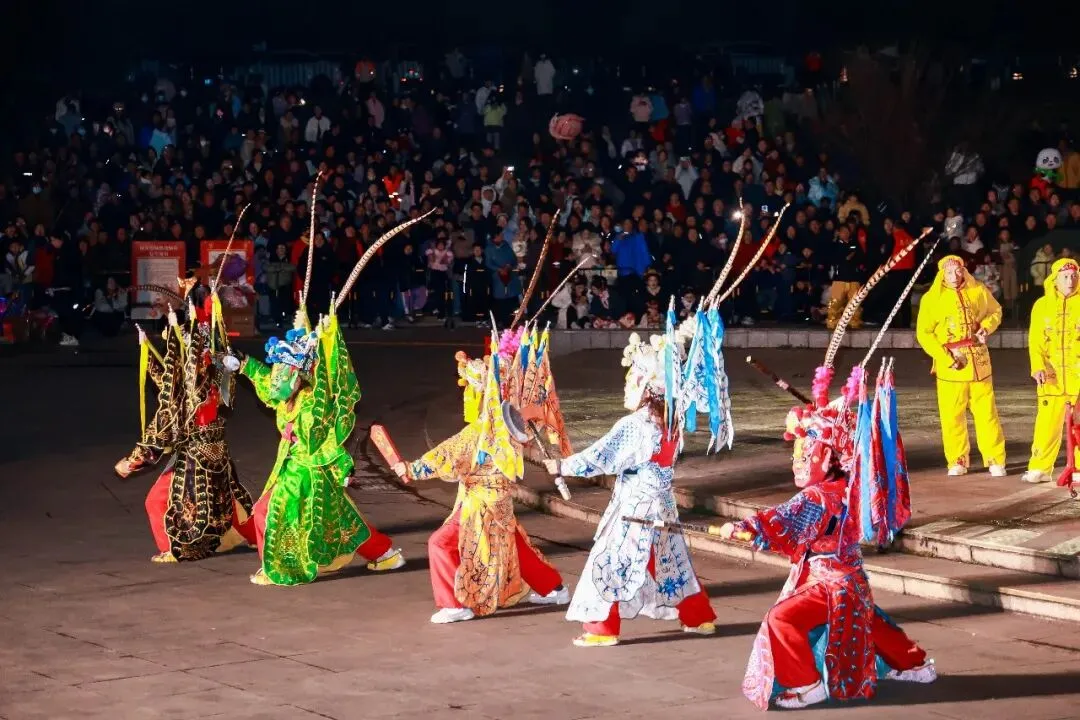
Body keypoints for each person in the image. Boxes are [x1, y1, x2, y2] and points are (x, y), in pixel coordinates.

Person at [720, 342, 936, 709]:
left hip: (829, 582)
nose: (799, 457)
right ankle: (915, 664)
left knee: (781, 620)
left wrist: (745, 528)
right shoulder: (850, 486)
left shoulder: (819, 496)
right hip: (850, 578)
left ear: (827, 455)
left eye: (806, 449)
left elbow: (784, 519)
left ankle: (806, 685)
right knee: (866, 618)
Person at [543, 329, 717, 647]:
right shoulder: (672, 421)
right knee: (670, 561)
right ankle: (698, 617)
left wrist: (563, 466)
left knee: (611, 562)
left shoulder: (636, 424)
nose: (628, 384)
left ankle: (601, 628)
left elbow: (602, 456)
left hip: (635, 507)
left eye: (633, 377)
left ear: (646, 384)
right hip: (662, 503)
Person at [390, 329, 569, 624]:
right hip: (499, 498)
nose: (469, 393)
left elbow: (448, 456)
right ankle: (553, 588)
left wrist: (412, 469)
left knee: (440, 544)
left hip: (480, 502)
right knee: (511, 541)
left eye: (473, 388)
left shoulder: (481, 431)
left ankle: (454, 604)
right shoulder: (513, 420)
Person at [234, 304, 405, 586]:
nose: (276, 379)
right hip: (297, 464)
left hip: (309, 469)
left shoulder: (313, 404)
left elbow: (326, 438)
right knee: (339, 518)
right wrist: (243, 364)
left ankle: (279, 568)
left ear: (297, 377)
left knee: (270, 509)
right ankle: (384, 554)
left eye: (282, 374)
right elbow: (266, 381)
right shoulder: (287, 395)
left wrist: (342, 466)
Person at [114, 281, 256, 562]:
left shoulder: (190, 385)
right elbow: (170, 382)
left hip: (194, 455)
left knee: (157, 501)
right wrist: (149, 356)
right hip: (217, 449)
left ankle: (174, 548)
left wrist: (133, 461)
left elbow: (164, 426)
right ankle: (255, 536)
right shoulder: (211, 372)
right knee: (227, 497)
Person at [915, 255, 1007, 476]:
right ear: (941, 275)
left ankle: (995, 458)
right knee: (952, 415)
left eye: (958, 271)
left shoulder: (978, 290)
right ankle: (957, 459)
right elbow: (924, 333)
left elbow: (995, 311)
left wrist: (986, 327)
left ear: (964, 270)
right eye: (949, 272)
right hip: (952, 364)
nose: (954, 276)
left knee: (987, 414)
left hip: (979, 362)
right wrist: (945, 357)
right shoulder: (932, 298)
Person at [1024, 258, 1080, 484]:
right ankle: (1040, 467)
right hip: (1052, 375)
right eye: (1065, 277)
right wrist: (1037, 366)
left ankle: (1078, 467)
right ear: (1055, 279)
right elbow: (1035, 341)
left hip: (1077, 375)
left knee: (1079, 424)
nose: (1070, 280)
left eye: (1074, 276)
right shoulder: (1041, 305)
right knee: (1047, 423)